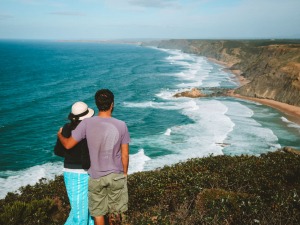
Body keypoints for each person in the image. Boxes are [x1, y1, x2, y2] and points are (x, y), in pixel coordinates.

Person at [57, 89, 130, 225]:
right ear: (112, 104)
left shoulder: (86, 124)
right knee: (116, 213)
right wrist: (124, 174)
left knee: (98, 214)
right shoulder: (122, 125)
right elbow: (125, 154)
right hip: (116, 174)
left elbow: (68, 145)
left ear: (96, 104)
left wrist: (60, 135)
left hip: (95, 176)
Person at [54, 101, 95, 225]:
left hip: (75, 172)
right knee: (81, 216)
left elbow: (59, 151)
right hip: (79, 174)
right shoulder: (89, 130)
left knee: (86, 213)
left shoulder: (66, 128)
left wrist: (60, 135)